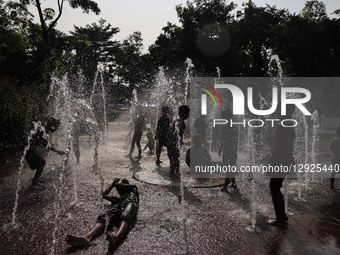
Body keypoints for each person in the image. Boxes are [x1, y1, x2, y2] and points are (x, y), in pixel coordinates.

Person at [65, 178, 139, 251]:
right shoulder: (117, 199)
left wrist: (119, 181)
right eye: (116, 188)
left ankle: (116, 238)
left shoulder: (133, 190)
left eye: (119, 187)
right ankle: (87, 237)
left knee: (125, 216)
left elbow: (120, 183)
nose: (117, 189)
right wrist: (112, 185)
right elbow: (104, 195)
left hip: (130, 204)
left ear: (126, 185)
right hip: (119, 205)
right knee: (103, 217)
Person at [267, 104, 296, 227]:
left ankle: (280, 219)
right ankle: (282, 215)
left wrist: (271, 160)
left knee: (274, 187)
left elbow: (280, 147)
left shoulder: (282, 127)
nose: (277, 113)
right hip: (286, 159)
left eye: (278, 110)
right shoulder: (290, 126)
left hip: (280, 160)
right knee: (276, 187)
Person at [25, 117, 65, 186]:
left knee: (40, 163)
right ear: (51, 126)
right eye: (55, 128)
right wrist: (57, 151)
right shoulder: (42, 130)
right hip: (28, 149)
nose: (56, 130)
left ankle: (37, 179)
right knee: (42, 162)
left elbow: (46, 142)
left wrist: (54, 146)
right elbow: (46, 144)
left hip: (31, 148)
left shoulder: (44, 130)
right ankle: (33, 184)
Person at [166, 105, 190, 178]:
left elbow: (172, 133)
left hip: (170, 141)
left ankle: (173, 172)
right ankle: (174, 173)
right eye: (188, 114)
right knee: (176, 158)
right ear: (186, 115)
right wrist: (177, 142)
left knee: (172, 158)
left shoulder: (177, 121)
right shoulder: (182, 123)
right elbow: (177, 135)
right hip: (173, 142)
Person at [218, 110, 239, 191]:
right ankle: (233, 183)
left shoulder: (235, 127)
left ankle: (225, 186)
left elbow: (236, 140)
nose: (226, 118)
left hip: (231, 150)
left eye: (226, 117)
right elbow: (222, 138)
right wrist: (220, 148)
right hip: (227, 149)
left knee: (230, 167)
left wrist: (235, 150)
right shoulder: (225, 127)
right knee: (229, 167)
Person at [330, 126, 340, 190]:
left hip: (335, 158)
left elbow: (330, 148)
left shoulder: (333, 140)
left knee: (333, 172)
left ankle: (332, 185)